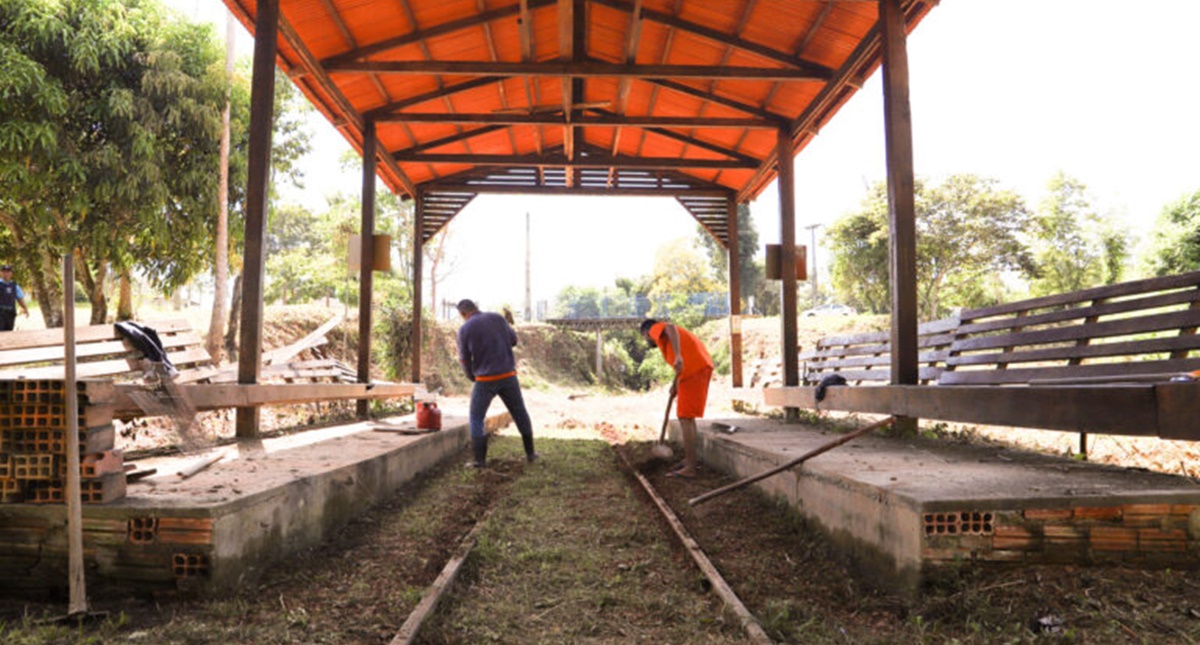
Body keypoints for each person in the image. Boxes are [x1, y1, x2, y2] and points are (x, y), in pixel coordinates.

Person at [456, 298, 538, 467]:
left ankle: (479, 461)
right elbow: (514, 340)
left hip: (485, 380)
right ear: (476, 307)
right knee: (519, 412)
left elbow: (464, 360)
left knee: (476, 418)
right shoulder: (497, 318)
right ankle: (531, 454)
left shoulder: (465, 329)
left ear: (463, 314)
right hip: (508, 376)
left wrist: (472, 376)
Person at [641, 318, 713, 478]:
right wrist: (677, 384)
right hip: (693, 370)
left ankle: (691, 467)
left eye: (645, 338)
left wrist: (679, 356)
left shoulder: (656, 329)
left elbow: (670, 327)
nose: (647, 340)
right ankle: (690, 461)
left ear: (646, 333)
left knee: (685, 417)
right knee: (688, 418)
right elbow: (680, 364)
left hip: (694, 369)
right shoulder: (666, 342)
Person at [0, 265, 30, 332]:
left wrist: (25, 309)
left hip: (10, 313)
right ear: (1, 273)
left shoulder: (14, 285)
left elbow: (20, 298)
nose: (6, 274)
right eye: (4, 272)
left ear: (11, 273)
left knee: (8, 332)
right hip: (0, 313)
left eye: (8, 272)